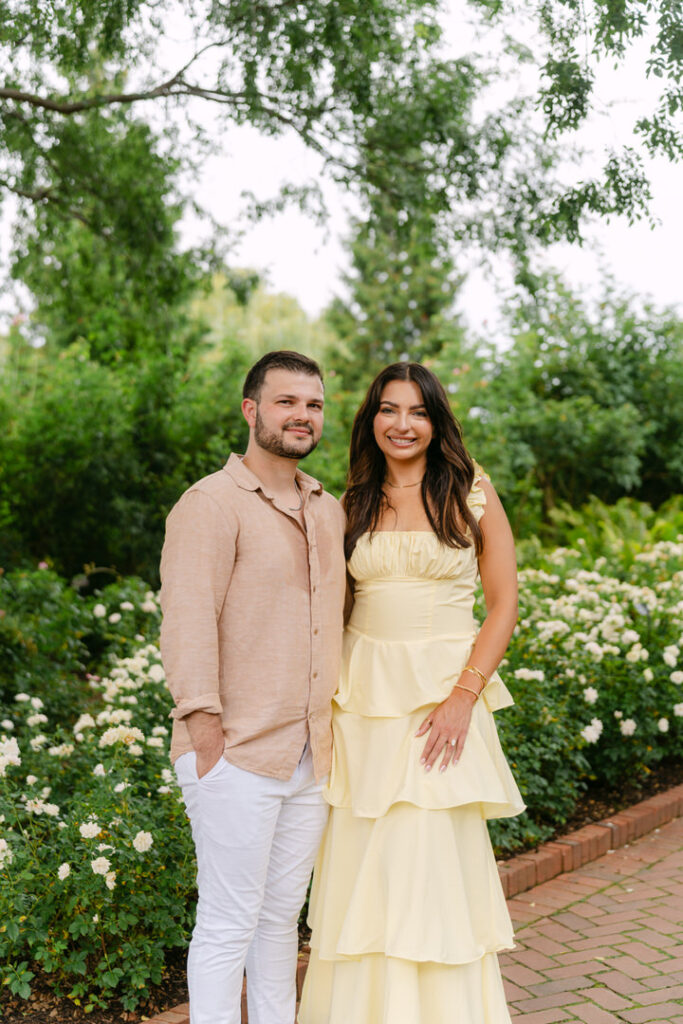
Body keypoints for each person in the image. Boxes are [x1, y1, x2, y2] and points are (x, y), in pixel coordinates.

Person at [298, 362, 525, 1024]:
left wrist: (463, 697)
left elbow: (503, 604)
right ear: (371, 420)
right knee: (361, 864)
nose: (402, 424)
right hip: (360, 704)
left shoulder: (470, 492)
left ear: (435, 421)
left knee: (427, 863)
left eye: (417, 411)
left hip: (440, 701)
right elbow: (328, 613)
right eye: (388, 410)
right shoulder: (350, 503)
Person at [159, 350, 346, 1024]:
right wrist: (205, 732)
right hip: (235, 751)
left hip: (309, 758)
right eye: (286, 402)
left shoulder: (327, 510)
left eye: (314, 404)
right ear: (251, 411)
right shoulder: (210, 503)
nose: (301, 415)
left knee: (277, 923)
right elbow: (185, 621)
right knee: (227, 923)